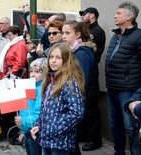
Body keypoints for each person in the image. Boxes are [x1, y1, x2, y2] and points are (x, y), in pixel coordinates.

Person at [30, 43, 85, 155]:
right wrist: (38, 125)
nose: (53, 61)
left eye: (58, 58)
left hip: (60, 141)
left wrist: (56, 129)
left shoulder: (69, 82)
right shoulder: (49, 81)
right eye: (51, 57)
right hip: (46, 139)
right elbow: (44, 109)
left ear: (66, 60)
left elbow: (76, 112)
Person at [105, 2, 141, 154]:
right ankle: (118, 152)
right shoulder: (116, 36)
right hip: (112, 87)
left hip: (128, 90)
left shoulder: (140, 36)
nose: (115, 15)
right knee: (115, 124)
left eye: (119, 13)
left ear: (129, 16)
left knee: (131, 126)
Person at [62, 20, 95, 155]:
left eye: (67, 33)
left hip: (74, 101)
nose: (63, 36)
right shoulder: (72, 50)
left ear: (78, 35)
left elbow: (81, 80)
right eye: (63, 32)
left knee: (70, 141)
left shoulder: (81, 53)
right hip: (71, 99)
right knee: (70, 141)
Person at [79, 7, 106, 151]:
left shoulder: (96, 31)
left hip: (91, 73)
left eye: (84, 14)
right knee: (85, 107)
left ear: (92, 15)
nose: (82, 16)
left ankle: (95, 140)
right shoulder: (88, 30)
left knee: (91, 108)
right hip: (86, 73)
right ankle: (85, 136)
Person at [15, 58, 47, 155]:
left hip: (35, 131)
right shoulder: (30, 87)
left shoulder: (41, 89)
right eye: (31, 71)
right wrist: (23, 130)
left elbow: (40, 114)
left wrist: (23, 122)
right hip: (28, 129)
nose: (32, 74)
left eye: (37, 71)